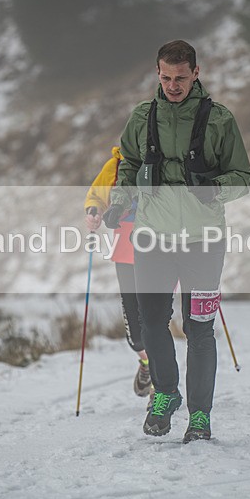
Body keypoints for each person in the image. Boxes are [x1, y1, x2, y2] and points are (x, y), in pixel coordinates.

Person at [103, 40, 250, 443]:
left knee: (199, 329)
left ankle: (200, 417)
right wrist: (118, 202)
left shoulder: (219, 120)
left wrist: (214, 189)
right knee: (152, 322)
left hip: (204, 242)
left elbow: (242, 178)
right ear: (158, 74)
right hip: (151, 238)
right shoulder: (141, 117)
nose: (172, 85)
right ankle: (166, 394)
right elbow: (129, 165)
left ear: (196, 73)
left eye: (180, 78)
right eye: (166, 78)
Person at [84, 147, 152, 400]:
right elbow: (96, 197)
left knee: (155, 317)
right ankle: (146, 363)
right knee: (135, 331)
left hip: (164, 247)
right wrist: (94, 212)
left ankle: (161, 383)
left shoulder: (172, 157)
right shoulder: (117, 164)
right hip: (126, 250)